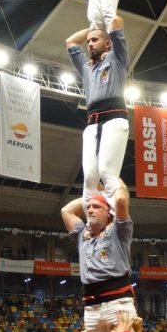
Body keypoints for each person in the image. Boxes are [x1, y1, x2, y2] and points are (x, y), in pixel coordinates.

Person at [61, 182, 135, 332]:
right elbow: (66, 211)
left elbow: (122, 200)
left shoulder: (118, 231)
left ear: (108, 212)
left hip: (117, 304)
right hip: (91, 307)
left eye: (96, 207)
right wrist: (89, 195)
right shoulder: (82, 235)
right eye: (88, 208)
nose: (90, 210)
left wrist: (113, 182)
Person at [65, 18, 129, 210]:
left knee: (106, 171)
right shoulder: (86, 66)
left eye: (94, 40)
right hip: (92, 122)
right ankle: (92, 225)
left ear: (108, 43)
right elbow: (71, 42)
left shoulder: (117, 58)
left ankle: (114, 219)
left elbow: (117, 22)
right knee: (90, 177)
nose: (90, 44)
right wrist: (92, 29)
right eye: (89, 41)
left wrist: (100, 24)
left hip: (114, 119)